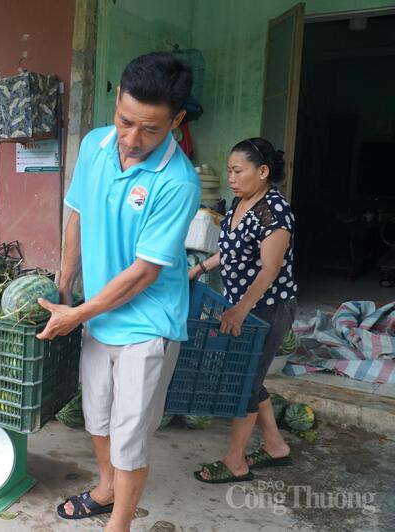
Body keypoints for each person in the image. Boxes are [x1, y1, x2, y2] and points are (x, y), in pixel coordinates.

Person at [37, 52, 201, 532]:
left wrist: (78, 313)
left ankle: (120, 524)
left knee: (130, 435)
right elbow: (77, 216)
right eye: (126, 122)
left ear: (177, 120)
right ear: (116, 101)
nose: (132, 140)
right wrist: (65, 287)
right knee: (98, 417)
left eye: (150, 130)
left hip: (146, 324)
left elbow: (145, 272)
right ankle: (106, 489)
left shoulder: (178, 182)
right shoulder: (94, 145)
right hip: (96, 314)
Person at [189, 137, 298, 483]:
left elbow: (270, 269)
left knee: (245, 383)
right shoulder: (240, 202)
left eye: (238, 170)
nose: (231, 177)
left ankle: (236, 461)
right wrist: (201, 267)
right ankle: (275, 446)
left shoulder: (273, 211)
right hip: (244, 307)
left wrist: (239, 310)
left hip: (267, 309)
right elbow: (232, 250)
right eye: (229, 171)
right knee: (249, 376)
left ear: (263, 172)